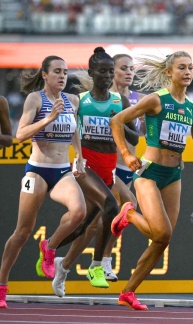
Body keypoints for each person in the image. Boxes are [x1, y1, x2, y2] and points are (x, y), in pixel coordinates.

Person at [110, 51, 193, 310]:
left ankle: (128, 292)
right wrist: (125, 154)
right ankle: (129, 214)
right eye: (182, 67)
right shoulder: (156, 100)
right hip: (149, 171)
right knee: (162, 231)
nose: (188, 72)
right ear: (169, 72)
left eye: (191, 67)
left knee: (163, 239)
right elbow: (117, 120)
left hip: (174, 175)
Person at [50, 47, 139, 296]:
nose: (108, 76)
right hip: (85, 166)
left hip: (109, 168)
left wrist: (117, 121)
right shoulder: (80, 100)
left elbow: (135, 136)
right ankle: (99, 264)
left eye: (111, 72)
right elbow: (66, 128)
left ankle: (51, 249)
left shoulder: (119, 101)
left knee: (82, 226)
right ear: (92, 73)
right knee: (114, 206)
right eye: (104, 72)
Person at [0, 56, 87, 308]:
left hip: (61, 171)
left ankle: (49, 248)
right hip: (37, 171)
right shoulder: (35, 99)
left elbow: (74, 131)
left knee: (79, 212)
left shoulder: (72, 101)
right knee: (22, 232)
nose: (62, 76)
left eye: (65, 72)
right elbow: (20, 134)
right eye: (57, 72)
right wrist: (48, 118)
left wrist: (79, 155)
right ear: (45, 75)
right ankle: (2, 286)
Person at [97, 53, 144, 282]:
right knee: (125, 207)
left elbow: (138, 137)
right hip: (109, 165)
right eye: (123, 68)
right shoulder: (102, 98)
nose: (129, 72)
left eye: (132, 69)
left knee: (107, 218)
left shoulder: (139, 100)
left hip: (130, 166)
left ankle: (65, 260)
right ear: (110, 71)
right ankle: (102, 260)